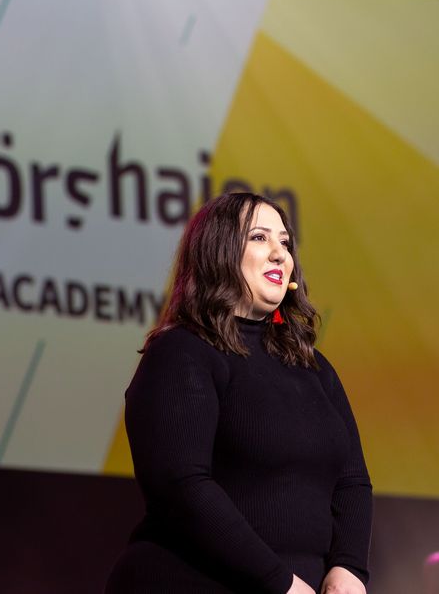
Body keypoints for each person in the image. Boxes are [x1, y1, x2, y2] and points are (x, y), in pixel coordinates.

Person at [105, 192, 373, 594]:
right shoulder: (182, 352)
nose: (280, 254)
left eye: (285, 242)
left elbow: (352, 482)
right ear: (219, 253)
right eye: (259, 238)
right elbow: (181, 485)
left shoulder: (314, 366)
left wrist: (348, 567)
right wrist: (278, 581)